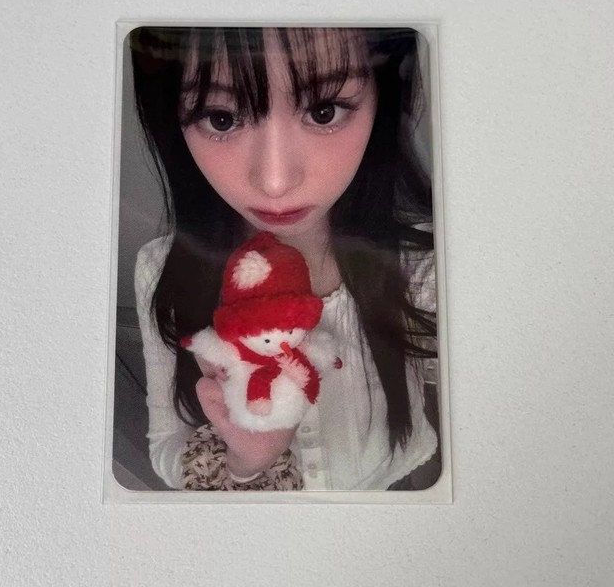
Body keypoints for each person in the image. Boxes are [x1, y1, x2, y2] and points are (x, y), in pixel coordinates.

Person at [129, 26, 440, 491]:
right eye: (220, 118)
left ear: (384, 97)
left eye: (323, 110)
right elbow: (165, 446)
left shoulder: (427, 263)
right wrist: (246, 463)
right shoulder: (162, 269)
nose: (274, 182)